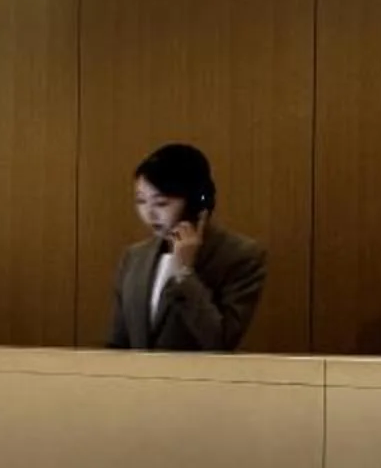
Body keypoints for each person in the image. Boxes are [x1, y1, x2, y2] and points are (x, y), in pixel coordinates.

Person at [105, 143, 266, 351]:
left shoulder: (241, 256)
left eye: (161, 203)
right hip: (137, 381)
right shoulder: (134, 257)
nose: (149, 213)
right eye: (141, 201)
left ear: (195, 203)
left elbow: (221, 341)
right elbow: (117, 343)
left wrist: (185, 274)